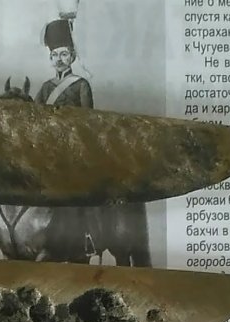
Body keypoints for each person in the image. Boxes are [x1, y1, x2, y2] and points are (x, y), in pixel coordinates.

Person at [34, 18, 150, 266]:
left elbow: (89, 120)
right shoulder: (44, 89)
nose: (59, 59)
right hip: (49, 151)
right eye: (54, 55)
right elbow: (32, 119)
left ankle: (87, 238)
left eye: (64, 54)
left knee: (81, 190)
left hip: (76, 149)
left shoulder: (81, 85)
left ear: (72, 56)